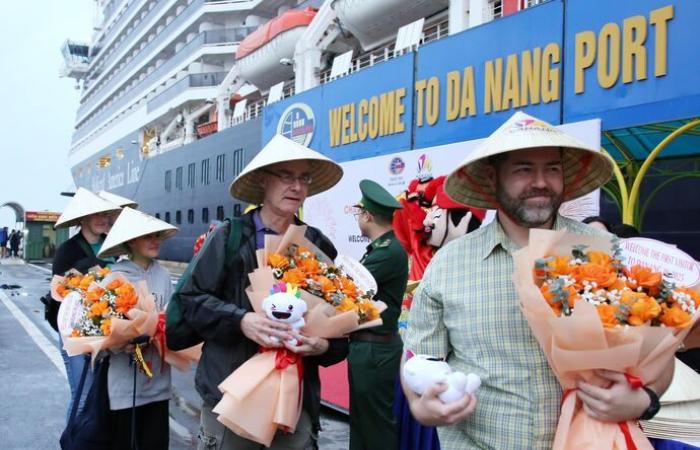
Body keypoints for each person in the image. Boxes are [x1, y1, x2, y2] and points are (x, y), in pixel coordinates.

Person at [402, 111, 675, 449]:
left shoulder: (605, 252)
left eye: (553, 169)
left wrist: (644, 400)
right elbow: (420, 357)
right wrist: (420, 406)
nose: (541, 182)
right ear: (492, 178)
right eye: (523, 169)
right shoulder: (448, 265)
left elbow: (661, 352)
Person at [170, 134, 348, 450]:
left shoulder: (318, 246)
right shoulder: (230, 237)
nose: (297, 186)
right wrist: (241, 320)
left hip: (294, 402)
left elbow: (339, 322)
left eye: (303, 178)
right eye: (287, 176)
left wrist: (323, 346)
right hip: (231, 395)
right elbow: (190, 300)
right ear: (264, 182)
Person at [97, 207, 177, 450]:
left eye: (157, 236)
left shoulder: (163, 275)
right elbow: (98, 332)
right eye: (148, 236)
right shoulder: (114, 279)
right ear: (131, 241)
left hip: (159, 385)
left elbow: (172, 315)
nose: (155, 241)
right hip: (125, 385)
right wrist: (121, 342)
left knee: (156, 444)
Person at [348, 179, 409, 450]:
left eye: (360, 213)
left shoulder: (387, 252)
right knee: (363, 422)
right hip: (369, 346)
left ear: (368, 215)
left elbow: (348, 290)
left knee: (376, 426)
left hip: (375, 348)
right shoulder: (382, 249)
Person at [53, 187, 122, 421]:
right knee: (83, 397)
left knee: (102, 397)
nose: (104, 219)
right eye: (97, 215)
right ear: (83, 218)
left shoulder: (113, 245)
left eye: (106, 215)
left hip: (107, 330)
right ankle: (72, 441)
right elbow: (59, 295)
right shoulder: (67, 251)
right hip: (75, 333)